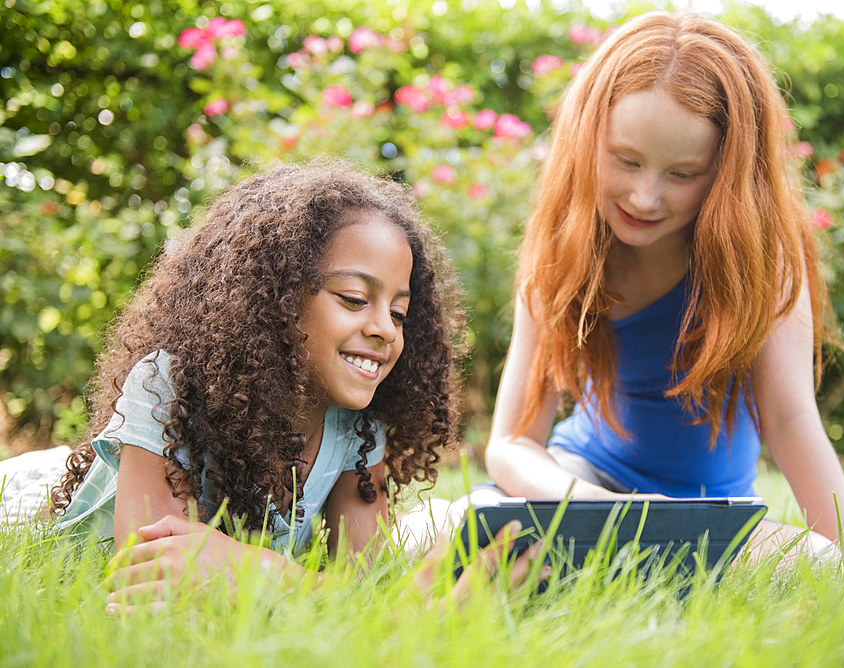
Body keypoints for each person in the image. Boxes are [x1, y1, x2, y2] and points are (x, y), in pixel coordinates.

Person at [0, 160, 537, 610]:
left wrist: (260, 571)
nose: (383, 329)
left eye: (399, 312)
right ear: (272, 300)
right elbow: (149, 576)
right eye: (354, 299)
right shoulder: (170, 388)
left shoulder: (357, 430)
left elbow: (363, 590)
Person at [483, 12, 844, 564]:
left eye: (682, 174)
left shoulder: (763, 260)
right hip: (582, 487)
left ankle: (621, 559)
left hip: (711, 516)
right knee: (444, 529)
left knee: (821, 564)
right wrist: (603, 511)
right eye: (625, 160)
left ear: (726, 174)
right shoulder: (564, 252)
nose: (644, 196)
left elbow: (789, 419)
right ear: (587, 141)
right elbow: (512, 443)